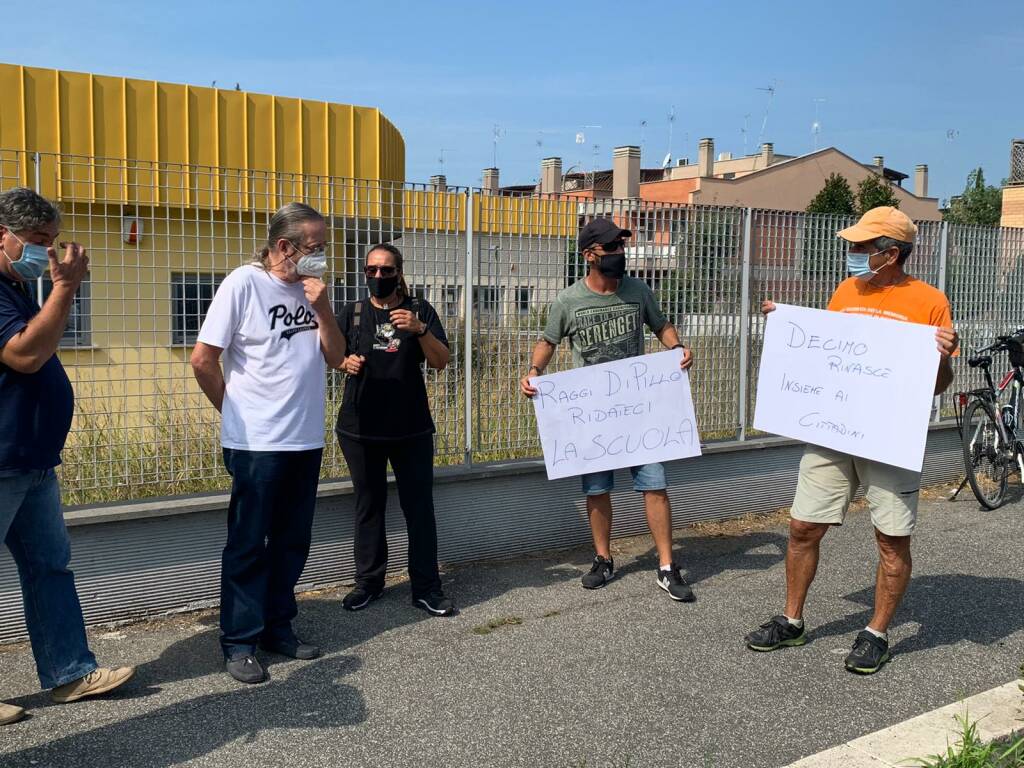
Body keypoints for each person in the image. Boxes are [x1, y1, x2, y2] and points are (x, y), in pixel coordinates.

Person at [744, 206, 959, 674]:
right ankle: (792, 620)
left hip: (889, 436)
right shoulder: (846, 290)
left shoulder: (929, 301)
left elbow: (939, 384)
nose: (853, 252)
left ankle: (876, 633)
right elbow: (829, 354)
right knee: (802, 527)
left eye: (862, 246)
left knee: (891, 538)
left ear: (892, 253)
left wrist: (941, 359)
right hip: (834, 429)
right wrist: (787, 329)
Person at [191, 202, 346, 684]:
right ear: (284, 247)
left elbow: (337, 357)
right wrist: (234, 414)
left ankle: (279, 626)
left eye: (324, 247)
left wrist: (321, 308)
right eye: (314, 248)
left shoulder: (313, 291)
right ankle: (239, 641)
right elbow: (202, 359)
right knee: (248, 543)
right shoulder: (243, 284)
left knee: (292, 540)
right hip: (257, 441)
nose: (321, 256)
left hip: (304, 437)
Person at [0, 188, 134, 725]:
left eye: (52, 243)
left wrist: (57, 292)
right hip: (4, 459)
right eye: (36, 242)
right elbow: (27, 355)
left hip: (32, 460)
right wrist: (66, 287)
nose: (48, 254)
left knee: (49, 567)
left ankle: (69, 673)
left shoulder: (16, 287)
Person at [520, 218, 696, 601]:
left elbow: (661, 325)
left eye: (621, 247)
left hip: (638, 409)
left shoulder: (638, 290)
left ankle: (667, 565)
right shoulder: (569, 301)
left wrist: (676, 349)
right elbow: (548, 341)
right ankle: (603, 558)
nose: (620, 254)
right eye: (611, 248)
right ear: (590, 256)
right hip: (593, 412)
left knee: (655, 484)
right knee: (597, 488)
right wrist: (535, 372)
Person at [334, 243, 455, 616]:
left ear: (399, 272)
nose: (378, 277)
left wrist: (420, 331)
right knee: (368, 507)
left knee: (419, 509)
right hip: (360, 428)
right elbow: (328, 352)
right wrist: (343, 362)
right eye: (371, 271)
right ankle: (369, 583)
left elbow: (441, 362)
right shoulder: (352, 313)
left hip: (411, 428)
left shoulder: (419, 311)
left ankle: (426, 588)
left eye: (386, 271)